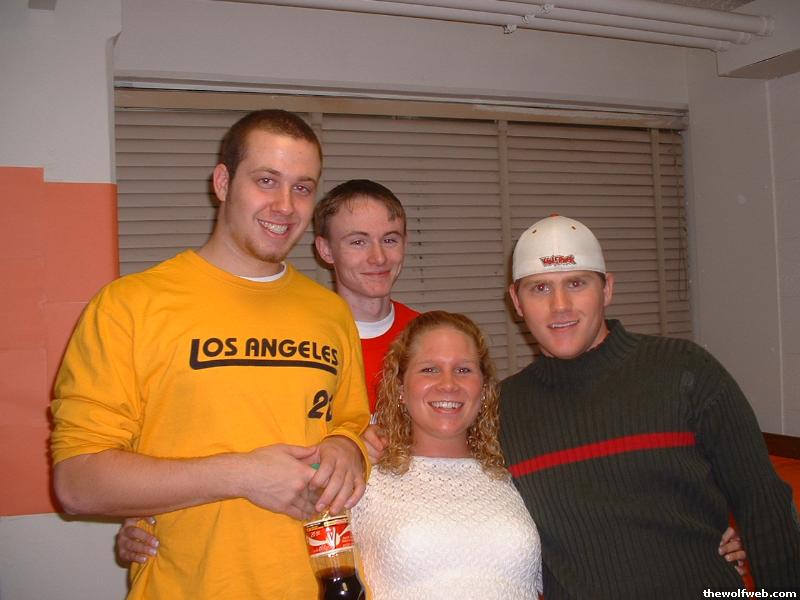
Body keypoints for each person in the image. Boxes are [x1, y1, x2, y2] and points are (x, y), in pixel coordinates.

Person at [50, 110, 371, 600]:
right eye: (267, 180)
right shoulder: (130, 305)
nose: (285, 205)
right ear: (223, 182)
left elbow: (350, 425)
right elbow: (77, 483)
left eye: (303, 188)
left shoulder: (330, 312)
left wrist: (347, 449)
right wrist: (243, 474)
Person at [500, 214, 800, 598]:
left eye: (577, 283)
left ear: (607, 289)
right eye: (540, 287)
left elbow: (763, 503)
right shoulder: (502, 410)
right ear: (517, 301)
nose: (560, 305)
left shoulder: (685, 370)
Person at [351, 310, 542, 599]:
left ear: (484, 388)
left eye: (463, 370)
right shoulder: (365, 478)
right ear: (400, 387)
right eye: (430, 369)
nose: (448, 384)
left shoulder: (514, 471)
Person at [313, 179, 420, 412]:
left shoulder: (427, 337)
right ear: (326, 250)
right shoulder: (305, 343)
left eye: (389, 240)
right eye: (358, 242)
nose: (379, 258)